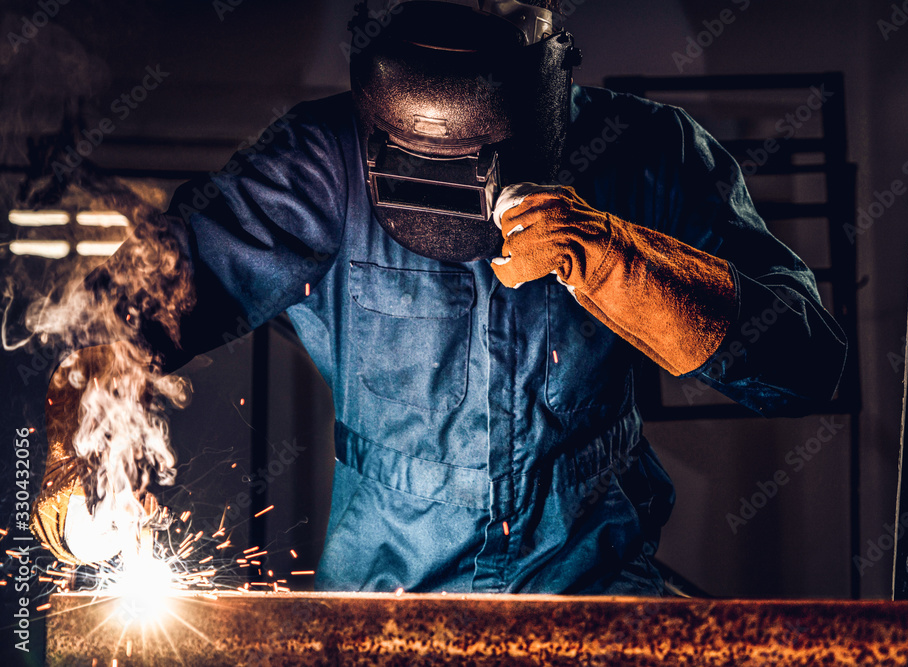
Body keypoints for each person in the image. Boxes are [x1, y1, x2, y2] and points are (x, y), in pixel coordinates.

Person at [31, 0, 847, 595]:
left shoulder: (649, 154)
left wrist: (611, 254)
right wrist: (78, 456)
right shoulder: (322, 163)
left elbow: (809, 362)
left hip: (594, 590)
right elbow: (126, 312)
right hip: (382, 604)